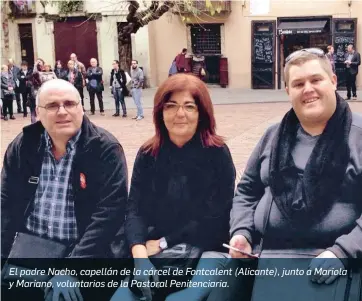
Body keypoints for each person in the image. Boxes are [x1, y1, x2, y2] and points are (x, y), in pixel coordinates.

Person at [226, 48, 362, 296]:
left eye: (316, 79)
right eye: (298, 83)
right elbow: (247, 191)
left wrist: (344, 251)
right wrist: (242, 232)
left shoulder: (358, 136)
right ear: (288, 91)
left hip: (337, 265)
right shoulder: (273, 136)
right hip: (269, 263)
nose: (307, 89)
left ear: (333, 81)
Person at [110, 73, 236, 301]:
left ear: (202, 113)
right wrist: (139, 253)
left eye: (189, 106)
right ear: (160, 112)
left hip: (207, 246)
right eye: (171, 106)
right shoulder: (149, 154)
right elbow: (135, 209)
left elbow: (214, 217)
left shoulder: (217, 154)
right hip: (154, 249)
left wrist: (163, 243)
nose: (180, 114)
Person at [1, 79, 128, 300]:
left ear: (81, 107)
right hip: (31, 250)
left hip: (86, 254)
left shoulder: (105, 149)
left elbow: (109, 214)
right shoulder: (24, 145)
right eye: (52, 106)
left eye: (69, 103)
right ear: (38, 113)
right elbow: (5, 203)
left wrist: (72, 270)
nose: (62, 112)